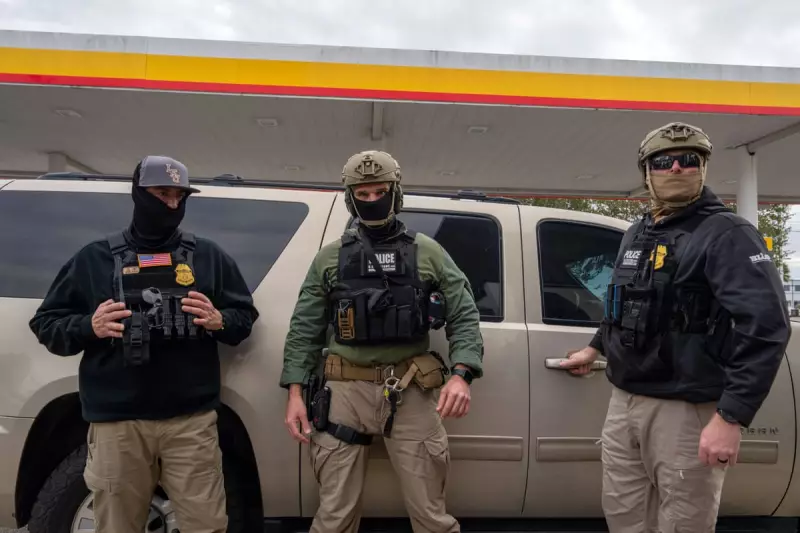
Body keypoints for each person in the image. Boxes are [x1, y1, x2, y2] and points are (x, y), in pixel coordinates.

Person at [561, 122, 791, 532]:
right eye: (663, 161)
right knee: (624, 516)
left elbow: (767, 327)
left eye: (689, 160)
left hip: (685, 410)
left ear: (703, 168)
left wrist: (731, 417)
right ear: (646, 172)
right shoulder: (637, 232)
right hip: (625, 401)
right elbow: (622, 303)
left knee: (684, 522)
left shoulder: (728, 234)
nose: (677, 168)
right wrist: (595, 347)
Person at [29, 155, 260, 533]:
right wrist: (89, 326)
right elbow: (46, 324)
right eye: (162, 193)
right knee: (117, 525)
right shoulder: (94, 259)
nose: (171, 203)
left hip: (190, 423)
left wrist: (220, 320)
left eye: (179, 196)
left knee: (207, 525)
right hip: (118, 425)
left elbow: (244, 317)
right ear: (138, 193)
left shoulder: (208, 257)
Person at [280, 150, 484, 533]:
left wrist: (462, 374)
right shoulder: (329, 258)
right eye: (363, 194)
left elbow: (463, 313)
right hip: (343, 392)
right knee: (334, 516)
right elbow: (305, 328)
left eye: (379, 192)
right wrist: (294, 392)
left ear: (395, 193)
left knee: (431, 515)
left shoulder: (428, 252)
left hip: (408, 388)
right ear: (350, 198)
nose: (371, 200)